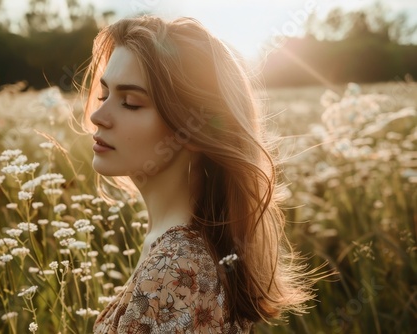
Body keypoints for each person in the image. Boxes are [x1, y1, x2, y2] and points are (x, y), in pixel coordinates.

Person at [81, 15, 317, 333]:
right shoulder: (177, 246)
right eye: (103, 95)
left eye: (130, 103)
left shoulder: (174, 266)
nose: (98, 116)